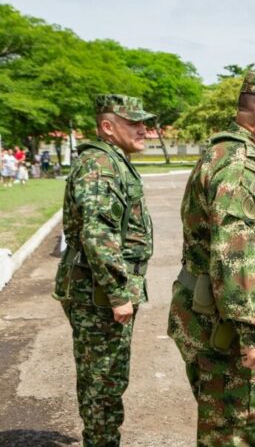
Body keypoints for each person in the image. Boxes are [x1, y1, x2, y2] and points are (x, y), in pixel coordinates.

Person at [167, 70, 255, 446]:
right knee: (231, 434)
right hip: (223, 326)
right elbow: (235, 256)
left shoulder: (224, 152)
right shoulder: (240, 167)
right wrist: (252, 331)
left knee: (221, 427)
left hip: (211, 315)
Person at [52, 94, 154, 446]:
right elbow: (98, 234)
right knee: (103, 382)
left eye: (144, 122)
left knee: (107, 378)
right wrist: (118, 292)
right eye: (134, 123)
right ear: (108, 127)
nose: (144, 129)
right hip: (97, 294)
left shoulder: (110, 160)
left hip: (98, 291)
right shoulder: (99, 165)